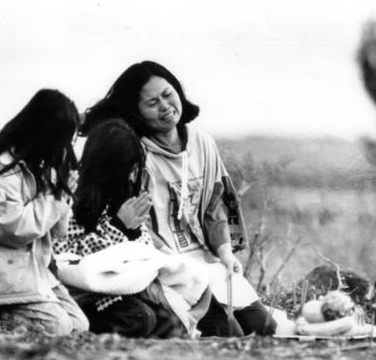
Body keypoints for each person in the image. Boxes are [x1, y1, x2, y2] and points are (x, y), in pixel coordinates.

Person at [84, 60, 276, 336]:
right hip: (167, 267)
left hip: (207, 261)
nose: (164, 106)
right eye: (152, 102)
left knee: (263, 327)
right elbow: (136, 228)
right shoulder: (133, 153)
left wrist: (224, 250)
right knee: (226, 332)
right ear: (136, 112)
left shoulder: (202, 143)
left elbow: (216, 203)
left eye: (167, 94)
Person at [53, 119, 208, 338]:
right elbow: (69, 257)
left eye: (135, 168)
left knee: (167, 321)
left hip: (126, 290)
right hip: (87, 294)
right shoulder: (75, 196)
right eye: (128, 168)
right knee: (140, 318)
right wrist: (117, 226)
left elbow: (142, 255)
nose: (132, 175)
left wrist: (132, 231)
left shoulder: (124, 195)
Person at [0, 89, 89, 335]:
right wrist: (55, 200)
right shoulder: (2, 171)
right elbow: (12, 229)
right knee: (58, 326)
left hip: (28, 271)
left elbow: (57, 232)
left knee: (78, 325)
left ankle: (0, 318)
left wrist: (63, 196)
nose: (65, 147)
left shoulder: (41, 167)